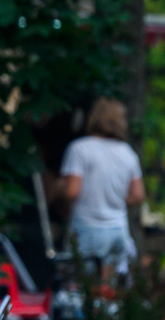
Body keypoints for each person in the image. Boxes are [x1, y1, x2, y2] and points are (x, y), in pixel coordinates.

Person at [56, 98, 147, 274]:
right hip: (118, 229)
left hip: (86, 227)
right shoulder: (128, 153)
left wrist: (59, 187)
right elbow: (137, 195)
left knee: (82, 286)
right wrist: (114, 196)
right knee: (108, 289)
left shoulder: (80, 149)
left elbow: (72, 191)